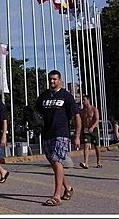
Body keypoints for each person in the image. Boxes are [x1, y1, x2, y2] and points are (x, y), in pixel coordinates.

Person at [35, 70, 81, 207]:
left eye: (54, 79)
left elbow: (76, 116)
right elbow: (36, 112)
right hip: (47, 133)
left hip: (61, 133)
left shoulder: (66, 96)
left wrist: (77, 135)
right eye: (50, 79)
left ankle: (56, 196)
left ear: (60, 80)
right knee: (55, 163)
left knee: (56, 160)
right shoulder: (43, 96)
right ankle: (68, 188)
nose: (52, 81)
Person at [79, 95, 102, 168]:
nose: (82, 101)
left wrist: (92, 127)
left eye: (84, 100)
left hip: (94, 129)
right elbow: (81, 121)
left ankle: (99, 161)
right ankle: (86, 162)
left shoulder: (94, 109)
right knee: (86, 145)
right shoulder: (82, 111)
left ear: (88, 100)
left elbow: (97, 119)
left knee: (96, 147)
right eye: (82, 100)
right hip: (86, 130)